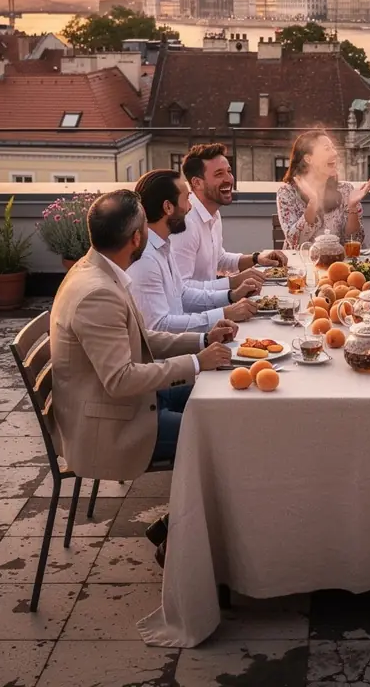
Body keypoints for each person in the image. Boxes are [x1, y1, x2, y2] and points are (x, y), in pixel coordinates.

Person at [49, 190, 236, 563]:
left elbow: (141, 337)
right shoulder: (97, 294)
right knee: (221, 433)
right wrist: (196, 362)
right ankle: (183, 534)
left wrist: (202, 339)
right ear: (136, 238)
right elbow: (120, 379)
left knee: (230, 399)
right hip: (113, 424)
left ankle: (186, 524)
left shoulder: (99, 269)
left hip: (121, 403)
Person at [130, 170, 260, 333]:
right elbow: (158, 327)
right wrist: (224, 314)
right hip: (170, 355)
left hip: (185, 343)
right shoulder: (146, 259)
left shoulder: (162, 244)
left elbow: (182, 295)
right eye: (186, 199)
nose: (190, 207)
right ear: (168, 207)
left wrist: (231, 296)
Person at [172, 143, 288, 294]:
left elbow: (219, 259)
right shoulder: (186, 224)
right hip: (197, 314)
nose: (229, 179)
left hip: (212, 306)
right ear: (197, 183)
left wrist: (257, 258)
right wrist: (233, 283)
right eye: (219, 174)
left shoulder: (213, 212)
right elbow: (181, 290)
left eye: (229, 171)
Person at [276, 130, 370, 249]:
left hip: (337, 263)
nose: (335, 153)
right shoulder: (287, 193)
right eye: (327, 149)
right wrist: (313, 203)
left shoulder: (346, 190)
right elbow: (296, 242)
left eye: (333, 148)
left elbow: (356, 241)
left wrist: (352, 207)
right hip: (301, 264)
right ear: (308, 159)